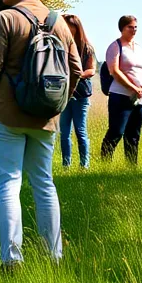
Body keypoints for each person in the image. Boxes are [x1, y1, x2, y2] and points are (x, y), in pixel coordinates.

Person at [0, 0, 82, 268]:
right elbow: (75, 70)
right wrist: (56, 105)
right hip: (46, 119)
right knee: (44, 183)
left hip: (6, 116)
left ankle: (11, 261)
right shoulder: (59, 22)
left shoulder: (5, 18)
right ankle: (54, 257)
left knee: (7, 183)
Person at [100, 15, 142, 164]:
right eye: (130, 27)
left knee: (134, 135)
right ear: (122, 28)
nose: (133, 30)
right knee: (116, 132)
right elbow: (114, 71)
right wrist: (133, 87)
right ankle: (104, 164)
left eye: (135, 27)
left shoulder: (139, 48)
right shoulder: (115, 46)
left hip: (138, 99)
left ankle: (131, 167)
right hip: (120, 96)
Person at [60, 14, 95, 169]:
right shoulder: (60, 45)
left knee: (80, 131)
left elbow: (91, 70)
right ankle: (66, 164)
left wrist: (77, 74)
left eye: (69, 26)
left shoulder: (87, 48)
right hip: (64, 94)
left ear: (76, 28)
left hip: (81, 94)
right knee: (64, 132)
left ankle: (84, 165)